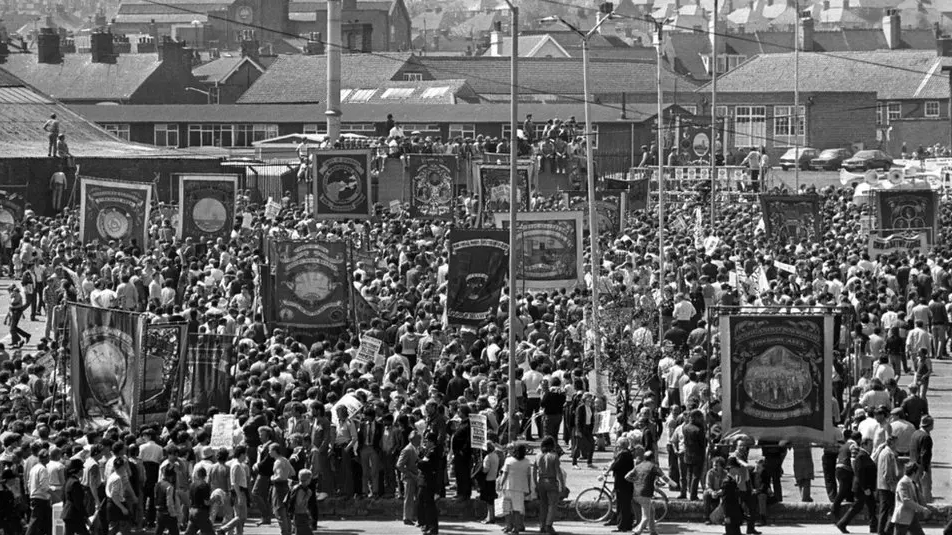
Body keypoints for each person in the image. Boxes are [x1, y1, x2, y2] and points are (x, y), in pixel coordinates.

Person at [626, 446, 673, 535]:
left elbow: (627, 476)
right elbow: (664, 477)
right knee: (646, 517)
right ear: (653, 458)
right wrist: (673, 483)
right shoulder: (653, 466)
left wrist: (636, 481)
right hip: (645, 493)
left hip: (636, 493)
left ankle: (653, 531)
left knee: (651, 511)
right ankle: (637, 531)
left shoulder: (638, 466)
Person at [497, 443, 533, 535]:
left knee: (507, 508)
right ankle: (516, 528)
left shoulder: (508, 460)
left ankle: (508, 526)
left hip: (508, 487)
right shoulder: (527, 462)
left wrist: (500, 485)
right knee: (517, 509)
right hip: (520, 488)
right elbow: (529, 476)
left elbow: (504, 474)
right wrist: (528, 488)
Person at [534, 436, 564, 535]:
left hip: (541, 481)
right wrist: (562, 485)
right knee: (552, 505)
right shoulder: (554, 456)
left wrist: (535, 483)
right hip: (551, 481)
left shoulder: (538, 455)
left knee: (543, 505)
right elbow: (558, 472)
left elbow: (534, 471)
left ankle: (542, 525)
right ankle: (548, 525)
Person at [891, 463, 933, 535]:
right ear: (914, 473)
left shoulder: (912, 483)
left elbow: (918, 497)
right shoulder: (903, 483)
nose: (918, 475)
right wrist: (922, 509)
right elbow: (906, 501)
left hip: (911, 516)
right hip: (903, 517)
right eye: (917, 472)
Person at [608, 438, 635, 532]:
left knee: (622, 505)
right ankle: (626, 525)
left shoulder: (623, 454)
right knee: (625, 505)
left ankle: (622, 526)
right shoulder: (627, 453)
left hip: (623, 483)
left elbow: (615, 465)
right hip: (625, 483)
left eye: (618, 444)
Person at [284, 469, 320, 535]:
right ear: (307, 479)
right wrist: (308, 496)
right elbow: (299, 503)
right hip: (300, 516)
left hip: (300, 515)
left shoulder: (302, 488)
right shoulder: (300, 489)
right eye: (310, 478)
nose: (310, 480)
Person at [396, 431, 420, 526]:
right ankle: (407, 517)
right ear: (413, 439)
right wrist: (410, 474)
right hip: (409, 477)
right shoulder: (407, 450)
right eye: (419, 439)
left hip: (416, 476)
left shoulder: (416, 448)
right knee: (409, 497)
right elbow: (399, 465)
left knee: (416, 497)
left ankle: (414, 516)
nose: (420, 441)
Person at [26, 449, 52, 535]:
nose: (49, 458)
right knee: (35, 521)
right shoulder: (42, 469)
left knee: (44, 522)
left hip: (35, 497)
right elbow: (44, 486)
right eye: (48, 456)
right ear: (45, 458)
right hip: (41, 499)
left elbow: (29, 483)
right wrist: (54, 495)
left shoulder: (34, 468)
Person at [62, 459, 88, 535]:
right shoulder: (75, 483)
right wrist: (85, 516)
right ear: (79, 470)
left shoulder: (69, 481)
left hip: (68, 514)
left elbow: (63, 498)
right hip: (74, 515)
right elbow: (78, 502)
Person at [154, 465, 182, 535]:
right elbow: (169, 502)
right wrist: (173, 513)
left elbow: (155, 497)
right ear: (171, 476)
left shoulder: (158, 484)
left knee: (158, 532)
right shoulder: (169, 486)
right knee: (174, 532)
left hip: (159, 512)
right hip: (168, 514)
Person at [185, 466, 213, 535]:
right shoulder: (205, 485)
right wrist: (214, 499)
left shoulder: (192, 485)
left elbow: (190, 500)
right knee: (210, 532)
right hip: (201, 512)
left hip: (192, 511)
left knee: (189, 533)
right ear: (205, 475)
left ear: (197, 475)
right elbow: (206, 503)